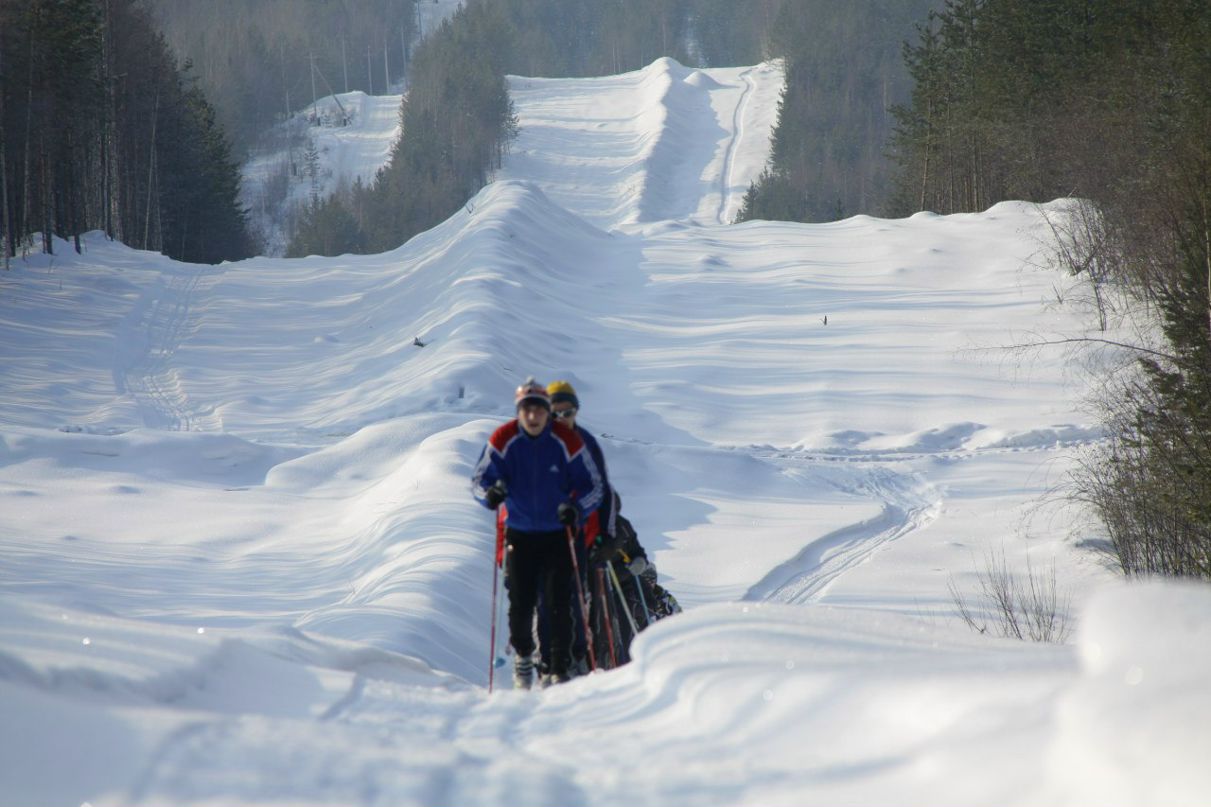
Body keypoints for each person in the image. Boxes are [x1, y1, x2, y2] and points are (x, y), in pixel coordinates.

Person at [472, 377, 603, 689]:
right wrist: (491, 494)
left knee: (559, 603)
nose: (533, 417)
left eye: (540, 411)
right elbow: (479, 480)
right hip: (519, 533)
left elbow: (594, 486)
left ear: (547, 413)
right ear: (519, 412)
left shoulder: (565, 441)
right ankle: (523, 656)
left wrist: (576, 508)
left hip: (558, 534)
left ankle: (557, 667)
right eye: (527, 410)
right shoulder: (504, 439)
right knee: (521, 603)